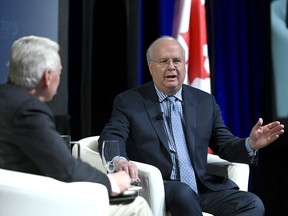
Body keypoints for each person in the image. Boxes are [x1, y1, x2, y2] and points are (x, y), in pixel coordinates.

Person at [98, 35, 285, 215]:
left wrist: (250, 144)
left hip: (201, 188)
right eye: (164, 62)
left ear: (184, 65)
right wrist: (119, 159)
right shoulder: (130, 102)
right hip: (162, 187)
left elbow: (224, 144)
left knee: (252, 203)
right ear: (151, 67)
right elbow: (113, 135)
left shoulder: (204, 101)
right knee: (183, 193)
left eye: (177, 61)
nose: (172, 67)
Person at [0, 35, 153, 216]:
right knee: (137, 206)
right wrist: (110, 181)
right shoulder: (28, 110)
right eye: (59, 71)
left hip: (13, 200)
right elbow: (66, 169)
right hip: (31, 205)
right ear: (47, 77)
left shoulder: (6, 98)